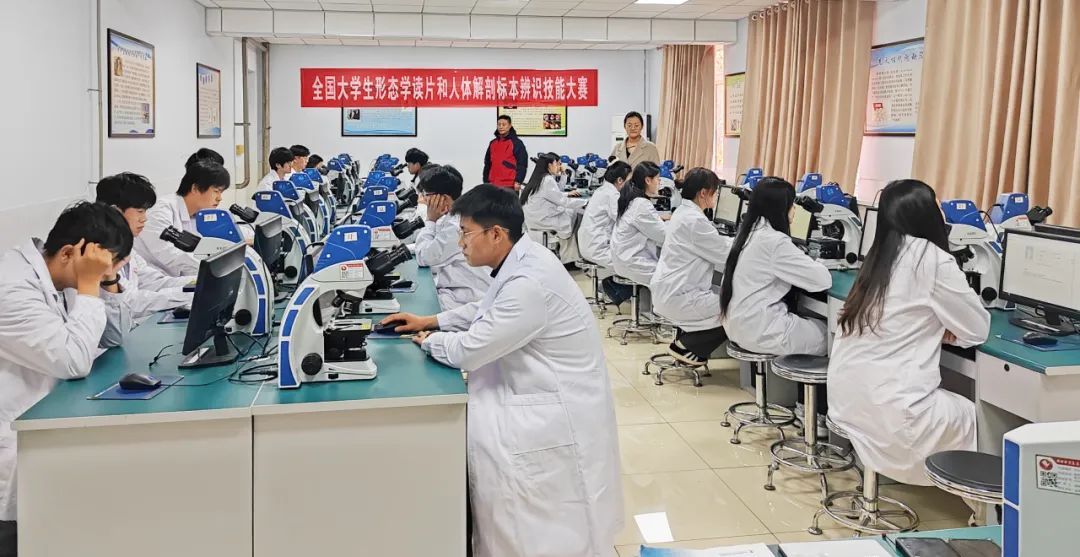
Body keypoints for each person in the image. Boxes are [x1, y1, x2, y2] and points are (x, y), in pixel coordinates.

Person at [381, 185, 622, 557]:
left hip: (551, 420)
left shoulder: (528, 282)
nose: (461, 243)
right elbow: (488, 307)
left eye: (466, 233)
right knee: (524, 527)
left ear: (496, 234)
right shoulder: (523, 260)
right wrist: (432, 320)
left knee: (542, 531)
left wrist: (430, 341)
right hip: (537, 399)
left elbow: (470, 350)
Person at [829, 179, 990, 486]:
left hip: (850, 400)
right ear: (927, 214)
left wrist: (936, 326)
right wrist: (945, 329)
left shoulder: (877, 257)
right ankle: (981, 505)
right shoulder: (932, 259)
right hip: (893, 409)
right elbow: (978, 329)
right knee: (977, 417)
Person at [0, 202, 134, 554]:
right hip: (12, 443)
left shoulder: (59, 273)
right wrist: (89, 284)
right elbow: (72, 360)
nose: (104, 272)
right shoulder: (11, 288)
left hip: (46, 422)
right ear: (68, 253)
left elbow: (115, 336)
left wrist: (108, 281)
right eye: (103, 264)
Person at [720, 177, 832, 356]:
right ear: (781, 208)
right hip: (762, 331)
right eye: (792, 205)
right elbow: (822, 280)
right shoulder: (774, 241)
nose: (794, 210)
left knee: (813, 323)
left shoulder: (748, 233)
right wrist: (819, 261)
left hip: (739, 326)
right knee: (833, 334)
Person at [651, 168, 731, 365]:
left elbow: (717, 244)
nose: (717, 196)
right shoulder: (694, 221)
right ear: (703, 193)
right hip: (678, 296)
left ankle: (690, 341)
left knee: (728, 299)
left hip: (669, 291)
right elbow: (725, 254)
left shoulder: (683, 212)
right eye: (715, 192)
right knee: (740, 308)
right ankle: (688, 346)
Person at [96, 172, 195, 321]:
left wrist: (198, 282)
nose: (144, 219)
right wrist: (186, 294)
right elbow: (131, 304)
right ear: (115, 212)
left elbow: (154, 282)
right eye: (140, 211)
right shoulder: (99, 252)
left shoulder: (126, 247)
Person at [413, 165, 492, 310]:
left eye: (427, 195)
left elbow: (424, 257)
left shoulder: (456, 227)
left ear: (442, 198)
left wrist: (430, 220)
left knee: (417, 306)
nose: (424, 199)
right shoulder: (455, 217)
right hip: (461, 292)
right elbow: (433, 244)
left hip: (467, 300)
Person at [136, 160, 231, 277]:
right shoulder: (161, 210)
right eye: (216, 191)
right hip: (153, 280)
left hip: (178, 278)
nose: (219, 198)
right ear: (195, 188)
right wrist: (212, 269)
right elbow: (169, 254)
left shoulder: (199, 214)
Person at [610, 162, 668, 313]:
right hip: (632, 261)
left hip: (623, 259)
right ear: (648, 180)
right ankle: (665, 316)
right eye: (658, 179)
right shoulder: (641, 204)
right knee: (673, 277)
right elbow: (664, 236)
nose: (660, 182)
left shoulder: (633, 200)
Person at [578, 161, 633, 305]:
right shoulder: (612, 195)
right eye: (630, 180)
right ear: (620, 180)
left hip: (590, 243)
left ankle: (611, 289)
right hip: (597, 247)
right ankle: (611, 291)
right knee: (632, 264)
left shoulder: (602, 190)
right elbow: (623, 221)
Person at [519, 152, 586, 264]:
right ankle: (569, 258)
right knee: (576, 214)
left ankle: (569, 255)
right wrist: (585, 202)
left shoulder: (538, 178)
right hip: (543, 220)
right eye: (557, 164)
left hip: (532, 220)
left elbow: (553, 194)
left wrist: (563, 176)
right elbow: (563, 201)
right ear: (549, 165)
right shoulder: (547, 179)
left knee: (569, 213)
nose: (559, 167)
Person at [482, 115, 528, 190]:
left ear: (509, 126)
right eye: (499, 124)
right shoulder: (492, 143)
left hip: (509, 185)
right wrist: (486, 181)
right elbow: (487, 163)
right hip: (492, 184)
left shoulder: (517, 143)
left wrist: (518, 181)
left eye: (504, 124)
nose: (501, 127)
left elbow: (522, 164)